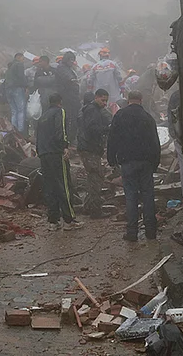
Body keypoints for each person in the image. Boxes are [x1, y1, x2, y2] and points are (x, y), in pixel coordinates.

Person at [107, 91, 161, 242]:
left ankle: (132, 233)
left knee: (131, 197)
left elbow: (112, 139)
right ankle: (151, 232)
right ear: (141, 100)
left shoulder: (120, 115)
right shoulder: (148, 117)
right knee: (148, 195)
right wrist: (155, 163)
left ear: (128, 100)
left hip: (127, 161)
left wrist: (111, 159)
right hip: (146, 162)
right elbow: (155, 142)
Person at [37, 93, 83, 231]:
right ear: (60, 102)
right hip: (56, 154)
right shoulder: (59, 112)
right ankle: (69, 220)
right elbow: (61, 130)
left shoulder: (42, 116)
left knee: (50, 187)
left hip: (44, 155)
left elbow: (38, 137)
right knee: (63, 185)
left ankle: (53, 221)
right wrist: (64, 146)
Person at [77, 89, 112, 218]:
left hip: (88, 148)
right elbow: (92, 129)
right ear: (96, 97)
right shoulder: (92, 110)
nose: (104, 104)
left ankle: (88, 207)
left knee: (93, 177)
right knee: (96, 178)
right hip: (89, 148)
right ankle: (96, 211)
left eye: (106, 101)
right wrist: (106, 129)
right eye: (103, 100)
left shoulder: (91, 109)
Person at [55, 51, 81, 145]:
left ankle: (70, 137)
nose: (72, 62)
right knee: (70, 117)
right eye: (70, 60)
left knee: (72, 117)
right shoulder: (62, 68)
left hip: (71, 96)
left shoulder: (67, 68)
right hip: (67, 96)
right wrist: (75, 81)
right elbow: (69, 79)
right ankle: (69, 138)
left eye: (73, 60)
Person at [89, 48, 124, 114]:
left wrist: (90, 91)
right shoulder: (113, 64)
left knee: (101, 110)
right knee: (114, 110)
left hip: (99, 93)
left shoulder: (95, 66)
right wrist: (122, 88)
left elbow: (90, 81)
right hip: (113, 93)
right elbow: (119, 77)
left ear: (100, 56)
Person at [4, 52, 29, 133]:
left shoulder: (10, 66)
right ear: (18, 57)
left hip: (8, 89)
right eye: (22, 58)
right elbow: (21, 76)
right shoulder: (19, 65)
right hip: (17, 89)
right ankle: (20, 131)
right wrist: (26, 86)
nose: (23, 60)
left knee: (14, 111)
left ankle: (14, 129)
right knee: (21, 109)